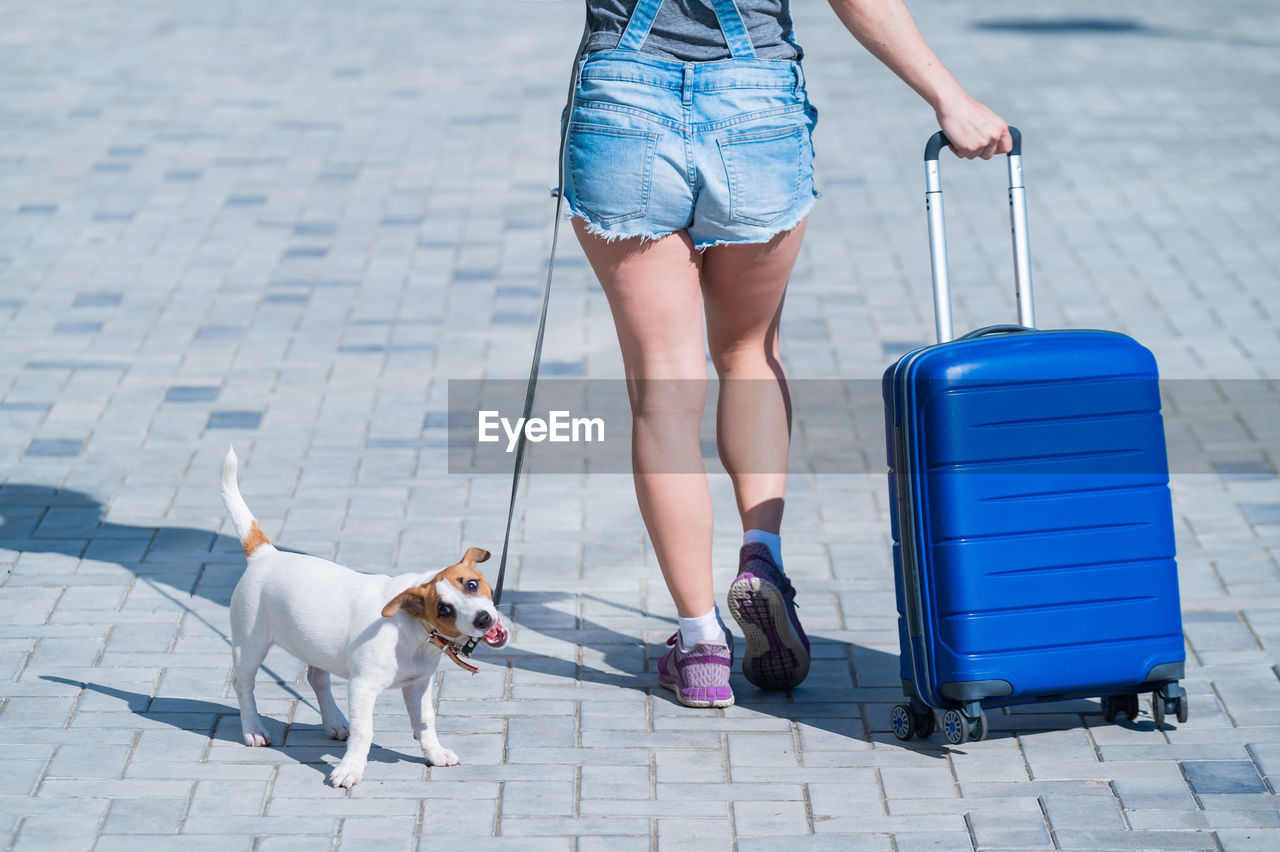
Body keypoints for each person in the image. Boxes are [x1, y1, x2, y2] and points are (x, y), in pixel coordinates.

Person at [560, 0, 1010, 707]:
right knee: (747, 350)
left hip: (623, 100)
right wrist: (948, 98)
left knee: (665, 390)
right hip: (754, 103)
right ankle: (760, 555)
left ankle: (701, 644)